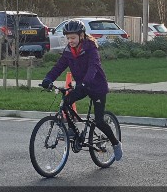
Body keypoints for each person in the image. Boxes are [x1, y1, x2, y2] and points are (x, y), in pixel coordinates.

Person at [41, 20, 122, 161]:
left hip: (96, 87)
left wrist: (85, 83)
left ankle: (115, 143)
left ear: (81, 36)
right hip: (82, 86)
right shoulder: (68, 51)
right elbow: (58, 67)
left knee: (99, 121)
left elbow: (94, 67)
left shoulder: (91, 48)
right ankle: (72, 130)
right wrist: (48, 79)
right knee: (66, 100)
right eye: (68, 38)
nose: (70, 41)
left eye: (73, 38)